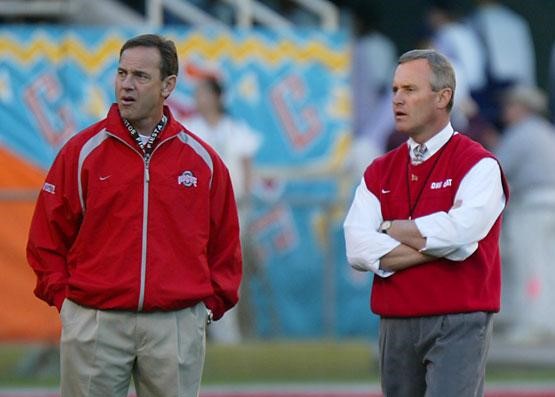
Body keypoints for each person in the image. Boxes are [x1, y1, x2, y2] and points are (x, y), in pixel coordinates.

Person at [26, 34, 243, 397]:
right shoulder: (82, 153)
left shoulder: (202, 162)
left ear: (168, 85)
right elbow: (46, 238)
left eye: (141, 76)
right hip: (95, 321)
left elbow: (226, 244)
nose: (127, 85)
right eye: (122, 73)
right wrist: (68, 305)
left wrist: (205, 310)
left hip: (174, 325)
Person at [343, 49, 508, 396]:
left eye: (409, 90)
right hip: (396, 321)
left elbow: (462, 232)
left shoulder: (479, 164)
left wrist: (389, 228)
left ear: (443, 97)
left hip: (458, 319)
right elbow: (357, 248)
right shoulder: (379, 170)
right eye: (394, 90)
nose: (397, 100)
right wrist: (441, 245)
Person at [184, 74, 261, 343]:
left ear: (216, 97)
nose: (199, 99)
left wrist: (245, 202)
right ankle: (195, 335)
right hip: (198, 215)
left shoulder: (235, 129)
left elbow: (247, 170)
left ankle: (230, 337)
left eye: (204, 93)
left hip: (233, 213)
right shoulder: (189, 129)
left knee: (227, 273)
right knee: (195, 273)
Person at [494, 85, 555, 343]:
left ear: (522, 107)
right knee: (546, 266)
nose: (506, 111)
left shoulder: (519, 134)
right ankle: (546, 322)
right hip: (549, 204)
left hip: (530, 206)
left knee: (528, 267)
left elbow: (497, 171)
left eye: (510, 105)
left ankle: (531, 325)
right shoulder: (546, 131)